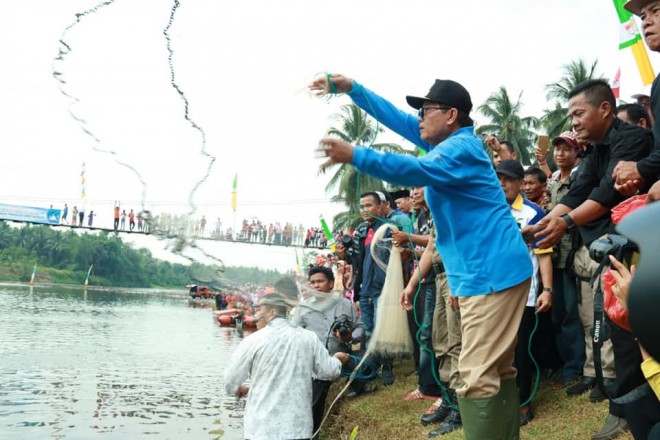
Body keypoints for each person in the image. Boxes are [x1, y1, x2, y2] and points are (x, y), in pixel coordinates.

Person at [312, 74, 533, 439]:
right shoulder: (444, 144)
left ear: (450, 115)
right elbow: (398, 119)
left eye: (425, 110)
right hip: (481, 271)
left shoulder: (459, 150)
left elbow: (417, 170)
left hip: (492, 271)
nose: (418, 118)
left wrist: (355, 155)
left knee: (476, 377)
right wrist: (352, 88)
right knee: (496, 371)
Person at [523, 79, 654, 440]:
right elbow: (581, 190)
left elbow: (605, 194)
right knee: (618, 327)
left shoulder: (632, 139)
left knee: (633, 331)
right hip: (619, 251)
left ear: (605, 109)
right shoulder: (596, 148)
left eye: (578, 113)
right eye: (570, 115)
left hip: (643, 252)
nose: (574, 121)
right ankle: (625, 408)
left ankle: (638, 412)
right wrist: (549, 221)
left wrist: (562, 223)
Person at [224, 294, 348, 440]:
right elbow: (330, 371)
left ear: (272, 312)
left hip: (260, 430)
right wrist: (338, 359)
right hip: (297, 429)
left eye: (258, 311)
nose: (255, 316)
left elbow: (230, 383)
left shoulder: (253, 341)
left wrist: (238, 388)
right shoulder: (308, 337)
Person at [496, 159, 553, 426]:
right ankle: (502, 400)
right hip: (492, 294)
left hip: (524, 293)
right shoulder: (490, 212)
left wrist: (548, 290)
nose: (502, 183)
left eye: (508, 179)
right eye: (498, 178)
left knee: (520, 352)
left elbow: (543, 254)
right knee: (498, 350)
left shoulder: (533, 213)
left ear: (521, 183)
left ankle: (524, 403)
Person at [291, 266, 364, 436]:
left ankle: (359, 383)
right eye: (313, 282)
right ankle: (310, 433)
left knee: (313, 402)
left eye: (320, 281)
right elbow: (292, 335)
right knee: (312, 404)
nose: (316, 286)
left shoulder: (345, 304)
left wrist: (350, 337)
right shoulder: (304, 308)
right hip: (313, 364)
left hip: (339, 358)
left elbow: (360, 327)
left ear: (331, 283)